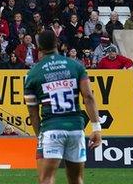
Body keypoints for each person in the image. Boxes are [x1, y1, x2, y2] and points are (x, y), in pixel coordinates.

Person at [24, 30, 101, 184]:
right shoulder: (76, 66)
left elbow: (33, 113)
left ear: (38, 47)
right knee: (76, 180)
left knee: (46, 179)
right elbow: (88, 97)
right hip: (76, 129)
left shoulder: (32, 74)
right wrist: (96, 128)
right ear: (57, 43)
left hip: (51, 129)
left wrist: (40, 136)